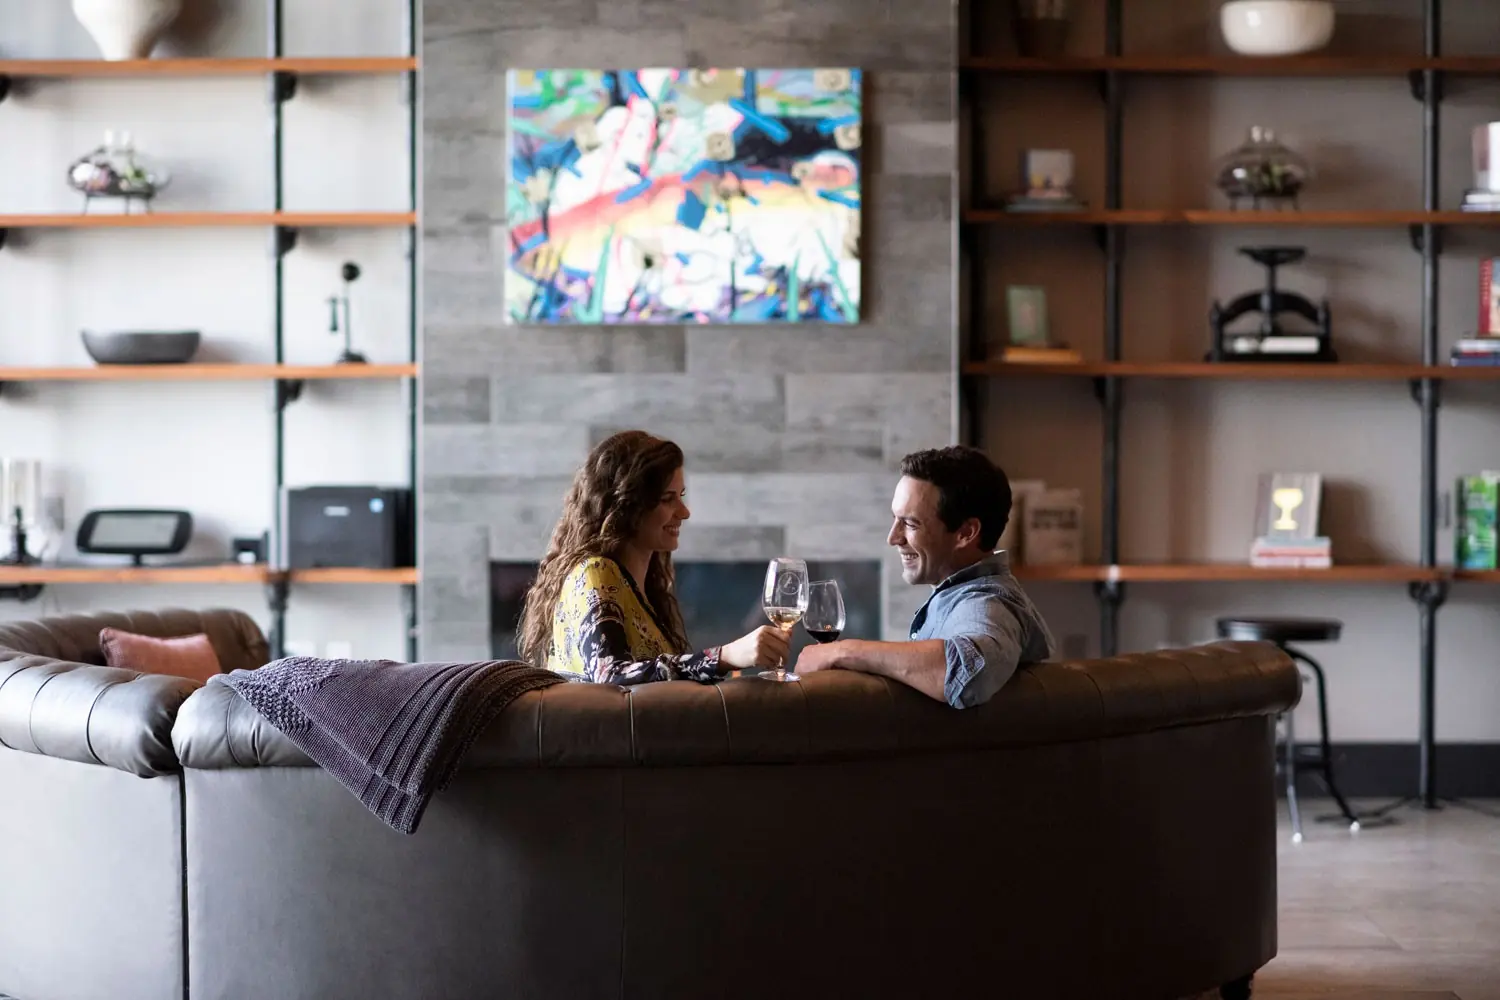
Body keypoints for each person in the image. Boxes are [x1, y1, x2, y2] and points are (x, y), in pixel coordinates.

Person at [516, 430, 788, 685]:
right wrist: (725, 656)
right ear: (626, 506)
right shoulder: (595, 573)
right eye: (667, 499)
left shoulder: (640, 587)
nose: (684, 512)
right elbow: (611, 675)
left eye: (680, 496)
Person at [794, 445, 1054, 708]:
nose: (893, 538)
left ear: (966, 533)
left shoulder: (988, 603)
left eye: (910, 523)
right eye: (895, 519)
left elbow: (968, 671)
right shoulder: (960, 596)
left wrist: (840, 652)